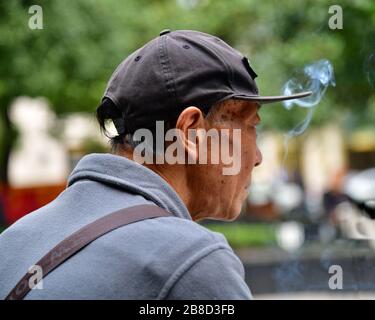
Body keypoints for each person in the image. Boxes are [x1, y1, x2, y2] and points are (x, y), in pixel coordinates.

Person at [0, 29, 310, 299]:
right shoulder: (191, 261)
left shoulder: (12, 242)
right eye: (251, 127)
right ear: (191, 132)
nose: (257, 157)